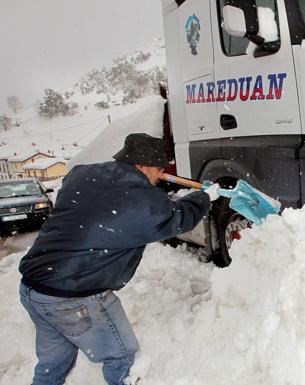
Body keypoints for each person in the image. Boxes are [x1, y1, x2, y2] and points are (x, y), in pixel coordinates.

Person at [18, 133, 219, 385]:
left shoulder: (82, 175)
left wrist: (151, 191)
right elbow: (179, 217)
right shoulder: (141, 201)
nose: (160, 176)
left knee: (53, 365)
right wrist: (204, 197)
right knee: (125, 361)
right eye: (158, 170)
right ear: (141, 165)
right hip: (73, 297)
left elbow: (124, 199)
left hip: (33, 289)